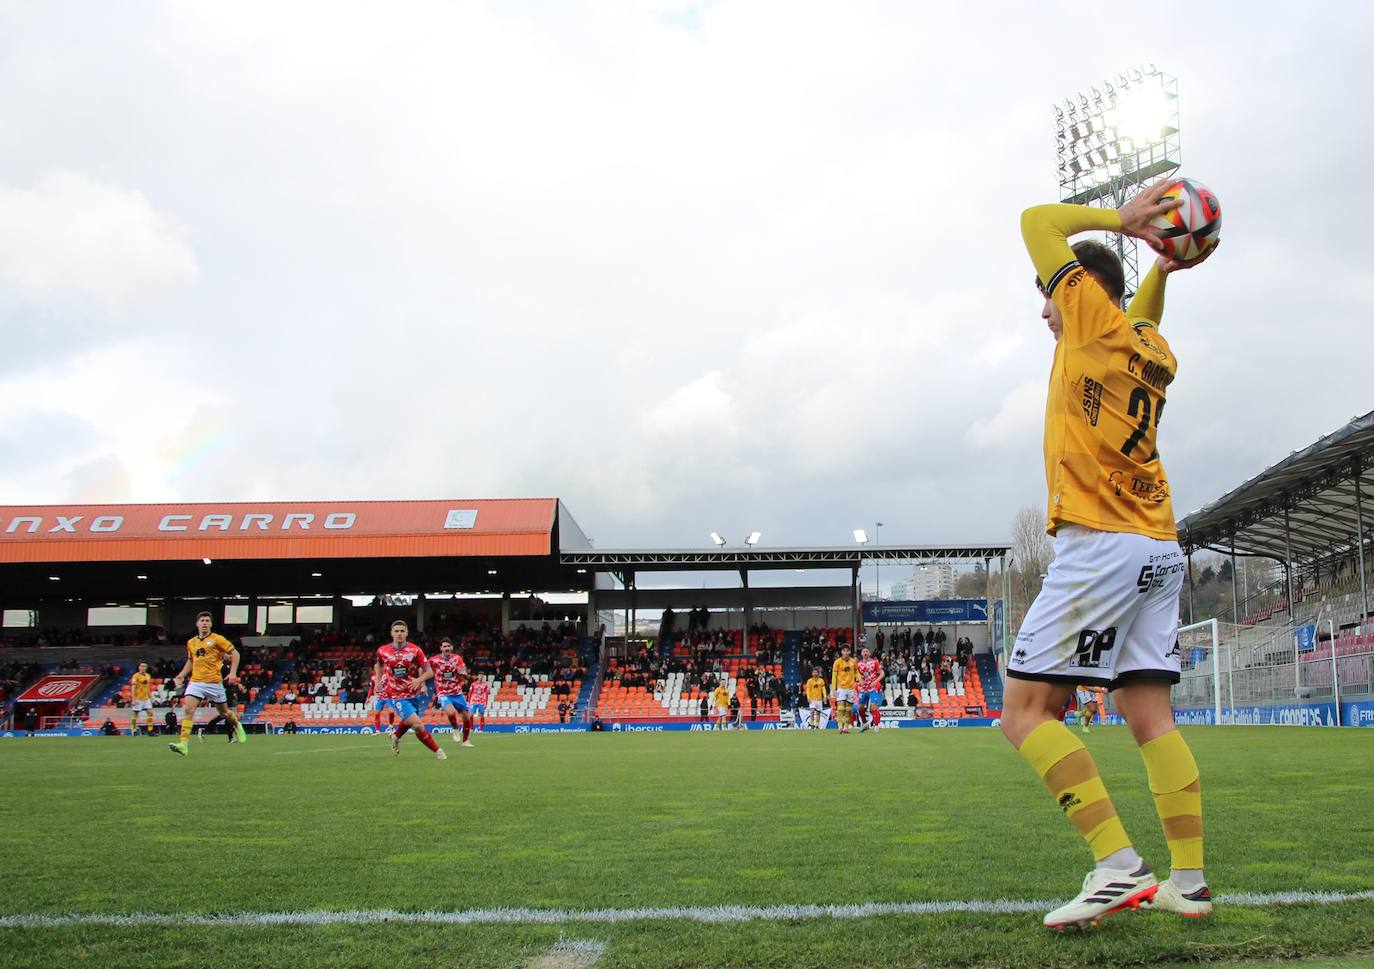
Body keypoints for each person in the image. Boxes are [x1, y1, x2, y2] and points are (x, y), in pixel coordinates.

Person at [1002, 184, 1214, 929]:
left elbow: (1035, 220)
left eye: (1049, 294)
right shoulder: (1148, 347)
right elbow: (1144, 312)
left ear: (1082, 290)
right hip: (1159, 545)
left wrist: (1120, 225)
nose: (1045, 310)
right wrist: (1165, 261)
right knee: (1147, 711)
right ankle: (1188, 880)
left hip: (1104, 543)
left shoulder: (1087, 322)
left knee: (1027, 711)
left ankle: (1117, 864)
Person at [167, 612, 246, 756]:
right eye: (202, 620)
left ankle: (236, 724)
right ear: (197, 624)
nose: (204, 623)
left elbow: (235, 654)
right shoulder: (191, 642)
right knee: (188, 710)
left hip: (214, 683)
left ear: (211, 624)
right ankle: (183, 745)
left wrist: (233, 673)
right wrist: (181, 675)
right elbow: (191, 661)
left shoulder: (217, 639)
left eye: (207, 621)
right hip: (196, 682)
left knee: (224, 713)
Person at [373, 620, 445, 760]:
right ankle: (439, 752)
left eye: (402, 631)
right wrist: (378, 681)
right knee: (417, 725)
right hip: (395, 694)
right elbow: (380, 665)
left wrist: (419, 681)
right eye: (396, 631)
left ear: (406, 633)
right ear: (391, 633)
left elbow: (429, 672)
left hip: (413, 693)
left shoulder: (415, 650)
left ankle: (396, 736)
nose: (399, 634)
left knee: (408, 721)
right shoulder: (383, 651)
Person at [431, 638, 474, 748]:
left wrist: (464, 674)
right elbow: (424, 668)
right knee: (451, 712)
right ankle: (455, 729)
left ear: (452, 648)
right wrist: (422, 683)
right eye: (444, 646)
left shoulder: (457, 658)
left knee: (467, 718)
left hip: (457, 692)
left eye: (448, 646)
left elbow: (462, 670)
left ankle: (465, 741)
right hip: (443, 692)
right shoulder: (434, 660)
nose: (447, 648)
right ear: (441, 648)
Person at [855, 647, 884, 733]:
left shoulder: (874, 662)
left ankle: (877, 725)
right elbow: (856, 674)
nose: (865, 653)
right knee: (860, 708)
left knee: (873, 706)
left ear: (869, 653)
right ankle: (864, 724)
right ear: (861, 654)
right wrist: (860, 681)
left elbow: (882, 673)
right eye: (863, 651)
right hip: (863, 688)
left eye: (867, 651)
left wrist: (875, 681)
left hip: (873, 688)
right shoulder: (858, 664)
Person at [831, 645, 858, 734]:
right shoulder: (837, 662)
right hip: (841, 688)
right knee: (841, 707)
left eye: (847, 651)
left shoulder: (853, 661)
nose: (846, 652)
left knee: (849, 709)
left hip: (851, 688)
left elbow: (856, 672)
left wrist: (860, 679)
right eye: (844, 651)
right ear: (841, 652)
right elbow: (834, 676)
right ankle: (839, 726)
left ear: (850, 652)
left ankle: (846, 727)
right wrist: (834, 689)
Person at [129, 661, 153, 736]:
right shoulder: (135, 676)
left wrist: (150, 697)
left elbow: (148, 687)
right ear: (139, 667)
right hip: (138, 698)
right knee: (135, 714)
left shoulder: (148, 676)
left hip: (146, 698)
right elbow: (133, 687)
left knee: (150, 713)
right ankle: (134, 729)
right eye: (142, 666)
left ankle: (150, 730)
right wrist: (133, 699)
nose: (143, 668)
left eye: (145, 666)